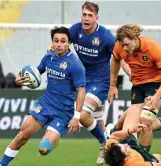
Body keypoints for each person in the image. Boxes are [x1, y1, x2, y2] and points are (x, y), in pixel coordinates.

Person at [0, 26, 86, 166]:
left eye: (63, 41)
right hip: (45, 105)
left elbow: (81, 91)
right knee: (22, 135)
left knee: (43, 149)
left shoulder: (75, 64)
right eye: (56, 41)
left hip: (62, 112)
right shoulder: (48, 57)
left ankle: (54, 136)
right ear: (52, 42)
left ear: (69, 43)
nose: (59, 44)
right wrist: (21, 78)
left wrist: (77, 116)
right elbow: (36, 73)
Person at [48, 2, 115, 164]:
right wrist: (52, 48)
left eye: (90, 15)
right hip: (84, 80)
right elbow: (62, 43)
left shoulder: (105, 36)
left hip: (101, 81)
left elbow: (119, 57)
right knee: (99, 122)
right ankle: (108, 148)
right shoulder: (75, 30)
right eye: (84, 14)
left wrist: (117, 82)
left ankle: (103, 142)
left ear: (96, 18)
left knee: (84, 115)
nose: (86, 18)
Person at [108, 24, 161, 151]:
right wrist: (113, 85)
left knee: (145, 122)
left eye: (127, 44)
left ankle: (144, 159)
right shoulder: (120, 47)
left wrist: (156, 96)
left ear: (135, 38)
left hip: (155, 84)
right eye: (122, 45)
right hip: (137, 86)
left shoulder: (152, 47)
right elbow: (115, 60)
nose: (124, 48)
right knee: (133, 126)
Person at [104, 100, 161, 166]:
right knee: (160, 158)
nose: (125, 146)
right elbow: (160, 164)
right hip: (139, 159)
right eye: (125, 148)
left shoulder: (112, 147)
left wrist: (132, 129)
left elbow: (114, 135)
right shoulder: (135, 164)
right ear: (126, 158)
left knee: (134, 109)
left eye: (121, 146)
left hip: (129, 144)